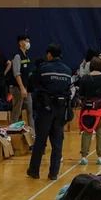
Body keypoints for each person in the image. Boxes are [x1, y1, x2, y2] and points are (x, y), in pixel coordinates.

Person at [27, 44, 73, 180]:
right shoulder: (67, 70)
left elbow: (31, 85)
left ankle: (34, 171)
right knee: (57, 143)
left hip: (45, 109)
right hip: (61, 109)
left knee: (40, 141)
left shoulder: (43, 68)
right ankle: (53, 173)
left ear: (49, 55)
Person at [78, 57, 101, 165]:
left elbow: (80, 94)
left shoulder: (85, 78)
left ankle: (84, 157)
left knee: (87, 132)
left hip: (87, 110)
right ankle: (100, 157)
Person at [10, 34, 34, 125]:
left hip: (27, 88)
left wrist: (28, 88)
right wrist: (22, 88)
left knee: (30, 110)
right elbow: (16, 73)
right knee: (17, 111)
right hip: (17, 88)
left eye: (29, 41)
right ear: (20, 43)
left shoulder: (26, 56)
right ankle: (12, 131)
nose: (28, 43)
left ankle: (32, 134)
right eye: (26, 41)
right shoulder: (17, 56)